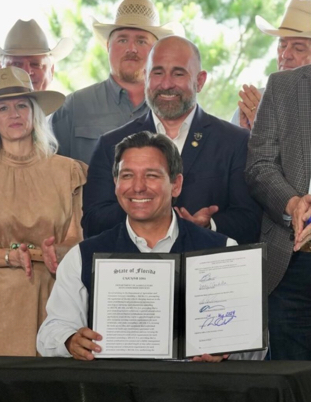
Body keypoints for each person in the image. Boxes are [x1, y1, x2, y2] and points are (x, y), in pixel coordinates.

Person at [37, 132, 240, 361]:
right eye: (127, 175)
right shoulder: (82, 256)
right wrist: (70, 340)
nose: (138, 187)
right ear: (115, 184)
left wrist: (228, 351)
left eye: (151, 175)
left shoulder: (222, 251)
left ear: (176, 185)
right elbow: (49, 334)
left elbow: (255, 347)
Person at [0, 66, 87, 356]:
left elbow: (76, 237)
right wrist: (9, 256)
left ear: (34, 113)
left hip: (54, 295)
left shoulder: (68, 171)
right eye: (3, 108)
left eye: (21, 106)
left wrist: (57, 252)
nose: (14, 114)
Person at [82, 36, 262, 245]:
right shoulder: (110, 145)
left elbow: (251, 221)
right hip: (133, 273)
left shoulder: (235, 142)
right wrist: (146, 215)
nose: (166, 84)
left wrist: (208, 226)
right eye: (158, 73)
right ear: (146, 76)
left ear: (200, 81)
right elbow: (93, 223)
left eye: (178, 73)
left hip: (206, 270)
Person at [51, 0, 183, 164]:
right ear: (108, 46)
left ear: (156, 51)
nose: (131, 49)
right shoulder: (73, 107)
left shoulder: (175, 109)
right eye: (122, 40)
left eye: (141, 41)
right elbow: (50, 177)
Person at [246, 63, 311, 360]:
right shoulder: (282, 85)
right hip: (291, 262)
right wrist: (293, 203)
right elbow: (259, 166)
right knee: (290, 380)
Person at [231, 0, 311, 129]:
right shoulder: (254, 103)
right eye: (282, 45)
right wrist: (245, 136)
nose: (285, 55)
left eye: (299, 48)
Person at [0, 19, 73, 91]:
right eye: (16, 64)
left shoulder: (72, 114)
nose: (26, 72)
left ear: (51, 70)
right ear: (0, 68)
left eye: (35, 64)